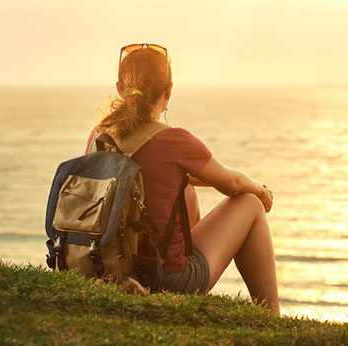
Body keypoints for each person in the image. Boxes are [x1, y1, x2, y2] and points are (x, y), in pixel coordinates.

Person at [85, 43, 279, 313]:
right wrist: (260, 190)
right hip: (165, 280)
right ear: (169, 90)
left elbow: (161, 174)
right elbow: (232, 184)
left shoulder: (100, 136)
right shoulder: (174, 140)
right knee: (250, 204)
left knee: (185, 189)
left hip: (106, 268)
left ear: (119, 88)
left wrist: (189, 177)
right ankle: (272, 315)